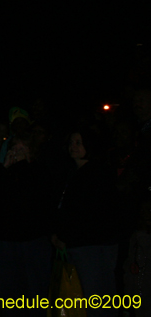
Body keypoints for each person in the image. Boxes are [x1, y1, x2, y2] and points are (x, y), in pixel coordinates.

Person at [0, 131, 54, 315]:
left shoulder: (40, 171)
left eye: (22, 148)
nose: (17, 151)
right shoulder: (5, 171)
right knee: (8, 294)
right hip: (4, 241)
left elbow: (33, 196)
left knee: (34, 293)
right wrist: (3, 166)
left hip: (31, 242)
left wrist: (21, 165)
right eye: (14, 147)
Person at [52, 125, 120, 317]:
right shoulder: (73, 172)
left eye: (79, 142)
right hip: (79, 244)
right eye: (71, 142)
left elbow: (89, 213)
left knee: (97, 298)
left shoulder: (96, 174)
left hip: (92, 246)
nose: (73, 147)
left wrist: (65, 235)